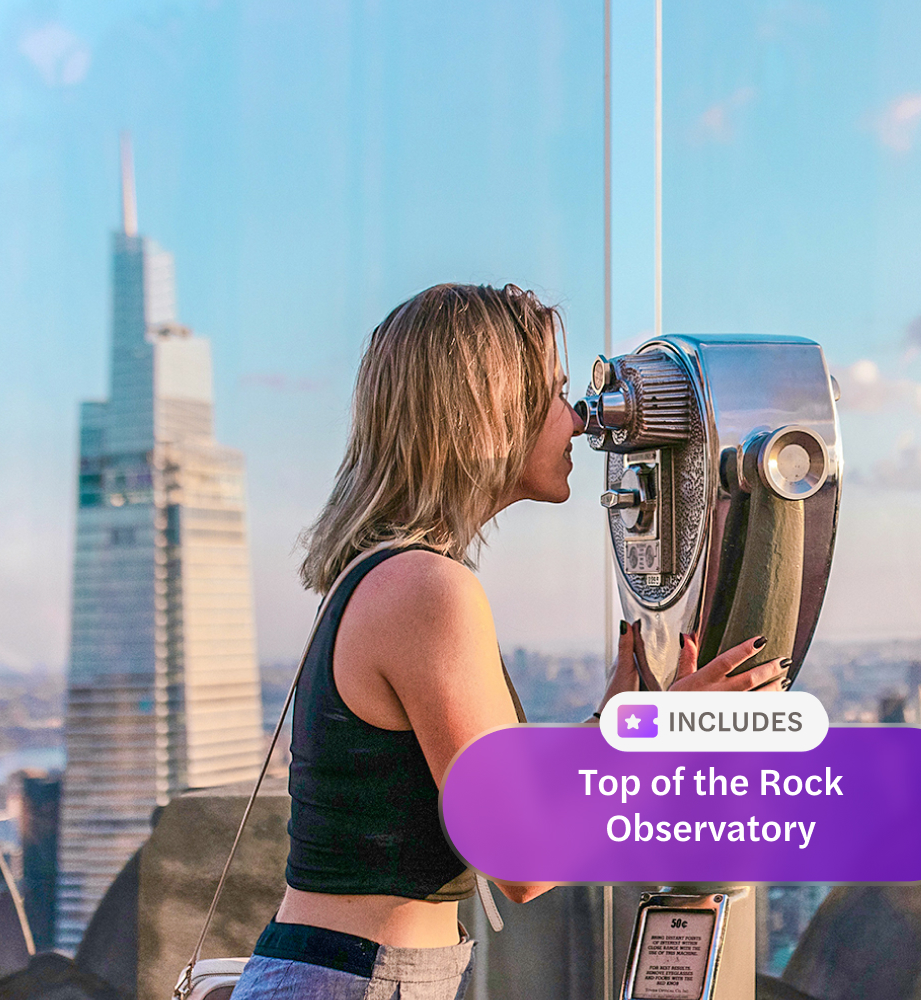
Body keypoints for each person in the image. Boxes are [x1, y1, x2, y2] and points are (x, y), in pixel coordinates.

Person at [230, 284, 784, 1000]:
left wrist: (604, 731)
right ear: (491, 412)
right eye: (555, 394)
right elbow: (520, 861)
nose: (580, 421)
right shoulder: (427, 591)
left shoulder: (388, 574)